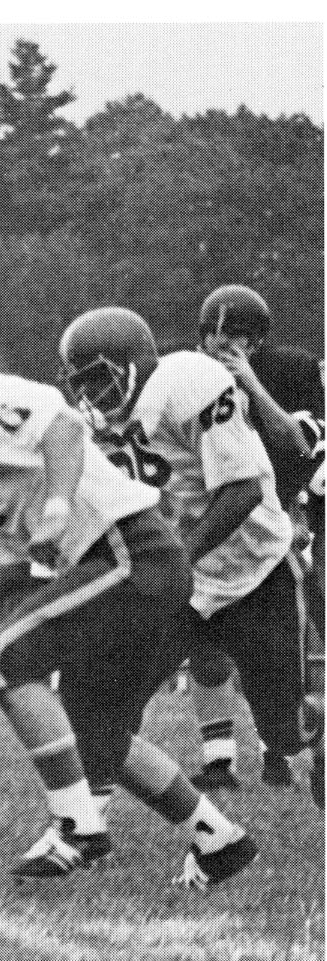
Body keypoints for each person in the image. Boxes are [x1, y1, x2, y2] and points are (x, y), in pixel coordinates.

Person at [0, 305, 255, 886]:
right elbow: (10, 563)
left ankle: (78, 827)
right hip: (123, 563)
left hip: (129, 552)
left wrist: (60, 504)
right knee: (98, 733)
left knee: (3, 658)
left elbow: (64, 427)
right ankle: (215, 836)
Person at [67, 306, 308, 793]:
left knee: (287, 728)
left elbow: (243, 491)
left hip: (255, 566)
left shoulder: (190, 380)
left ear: (133, 365)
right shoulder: (98, 425)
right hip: (186, 579)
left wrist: (173, 556)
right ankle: (83, 821)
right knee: (111, 702)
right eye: (81, 385)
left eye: (98, 380)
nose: (90, 396)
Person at [187, 285, 319, 784]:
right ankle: (218, 758)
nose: (226, 348)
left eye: (240, 340)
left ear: (258, 342)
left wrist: (253, 387)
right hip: (208, 523)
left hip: (273, 519)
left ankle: (279, 749)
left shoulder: (292, 370)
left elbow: (301, 448)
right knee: (201, 641)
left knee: (274, 653)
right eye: (216, 338)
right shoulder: (185, 375)